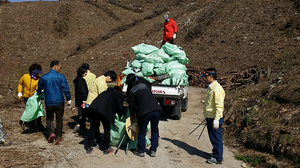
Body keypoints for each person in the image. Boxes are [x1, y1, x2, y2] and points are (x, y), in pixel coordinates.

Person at [37, 60, 71, 145]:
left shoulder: (44, 77)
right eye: (60, 67)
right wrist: (68, 98)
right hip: (59, 100)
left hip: (48, 101)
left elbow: (39, 87)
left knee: (49, 118)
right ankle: (58, 136)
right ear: (55, 66)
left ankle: (51, 132)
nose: (60, 68)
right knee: (59, 119)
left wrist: (38, 93)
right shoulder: (61, 77)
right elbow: (65, 89)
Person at [128, 80, 161, 157]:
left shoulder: (134, 92)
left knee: (142, 131)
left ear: (133, 86)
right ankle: (153, 150)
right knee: (154, 131)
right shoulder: (148, 90)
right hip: (157, 111)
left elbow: (131, 106)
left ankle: (141, 151)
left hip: (145, 112)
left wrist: (132, 114)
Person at [86, 86, 123, 154]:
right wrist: (121, 115)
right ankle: (106, 148)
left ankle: (89, 147)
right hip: (104, 112)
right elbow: (119, 107)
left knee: (93, 128)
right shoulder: (116, 94)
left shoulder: (105, 92)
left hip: (92, 109)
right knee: (106, 128)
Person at [201, 68, 225, 164]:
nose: (205, 79)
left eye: (206, 77)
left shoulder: (217, 89)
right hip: (210, 117)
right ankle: (215, 153)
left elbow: (219, 106)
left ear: (211, 76)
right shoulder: (211, 87)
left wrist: (216, 119)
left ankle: (218, 158)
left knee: (216, 138)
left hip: (215, 118)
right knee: (212, 137)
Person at [18, 63, 44, 130]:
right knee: (29, 110)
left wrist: (40, 96)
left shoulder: (39, 79)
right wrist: (19, 92)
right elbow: (20, 83)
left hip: (35, 98)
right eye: (35, 73)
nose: (36, 74)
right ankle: (30, 124)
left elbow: (39, 88)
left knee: (37, 110)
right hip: (26, 97)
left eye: (37, 73)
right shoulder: (25, 77)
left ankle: (39, 124)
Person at [73, 66, 88, 134]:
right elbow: (82, 91)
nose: (86, 73)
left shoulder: (77, 80)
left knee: (82, 114)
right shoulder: (81, 81)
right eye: (85, 72)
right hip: (82, 100)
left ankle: (82, 127)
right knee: (83, 115)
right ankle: (82, 128)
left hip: (78, 100)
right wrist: (84, 99)